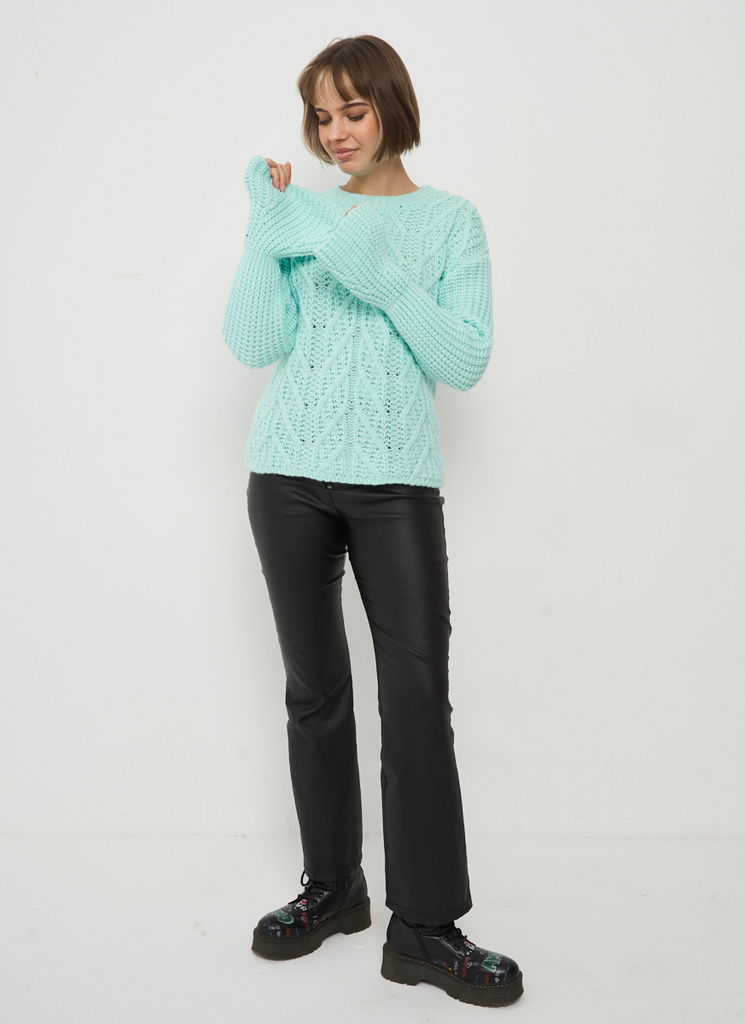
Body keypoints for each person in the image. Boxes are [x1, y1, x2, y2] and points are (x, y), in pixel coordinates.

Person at [221, 34, 523, 1008]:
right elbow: (255, 342)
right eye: (321, 115)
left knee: (417, 701)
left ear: (393, 104)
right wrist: (264, 231)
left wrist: (380, 273)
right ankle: (333, 888)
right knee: (314, 692)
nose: (335, 132)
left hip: (395, 484)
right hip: (287, 477)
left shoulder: (451, 220)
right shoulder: (304, 212)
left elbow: (463, 358)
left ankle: (426, 927)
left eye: (353, 109)